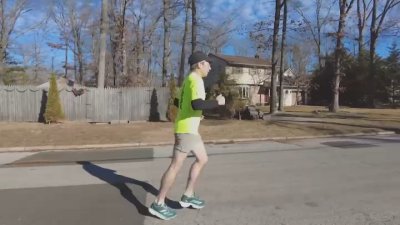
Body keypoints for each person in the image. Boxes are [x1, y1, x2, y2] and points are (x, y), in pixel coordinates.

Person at [148, 51, 225, 220]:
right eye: (207, 63)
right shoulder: (196, 80)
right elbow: (197, 103)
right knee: (175, 166)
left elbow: (178, 102)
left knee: (202, 159)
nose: (210, 67)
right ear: (199, 65)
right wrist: (217, 102)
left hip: (190, 129)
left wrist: (194, 114)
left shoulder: (187, 80)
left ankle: (188, 194)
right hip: (186, 131)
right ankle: (158, 203)